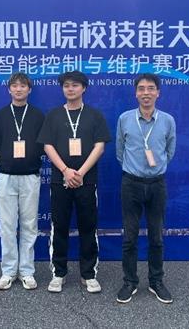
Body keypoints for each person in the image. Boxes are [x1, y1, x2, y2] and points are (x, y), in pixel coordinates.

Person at [37, 70, 111, 293]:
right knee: (59, 226)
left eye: (75, 85)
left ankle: (88, 274)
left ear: (84, 88)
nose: (70, 89)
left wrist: (80, 173)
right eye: (66, 85)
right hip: (60, 181)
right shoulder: (53, 115)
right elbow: (47, 145)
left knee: (88, 227)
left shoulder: (94, 115)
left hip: (86, 182)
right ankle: (58, 273)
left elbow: (100, 146)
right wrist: (66, 171)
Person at [115, 73, 176, 304]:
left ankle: (156, 281)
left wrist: (156, 168)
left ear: (158, 92)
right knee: (129, 237)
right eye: (141, 88)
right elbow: (120, 151)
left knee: (156, 237)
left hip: (157, 185)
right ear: (135, 93)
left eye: (151, 88)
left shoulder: (168, 120)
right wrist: (134, 169)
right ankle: (130, 282)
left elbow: (170, 151)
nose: (146, 93)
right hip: (131, 183)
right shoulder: (125, 119)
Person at [0, 72, 45, 290]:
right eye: (14, 86)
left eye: (23, 86)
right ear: (9, 89)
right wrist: (6, 162)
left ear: (30, 90)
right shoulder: (0, 115)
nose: (18, 89)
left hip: (30, 176)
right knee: (7, 225)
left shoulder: (38, 115)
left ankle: (27, 271)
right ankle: (9, 271)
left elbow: (44, 144)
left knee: (29, 225)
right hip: (6, 177)